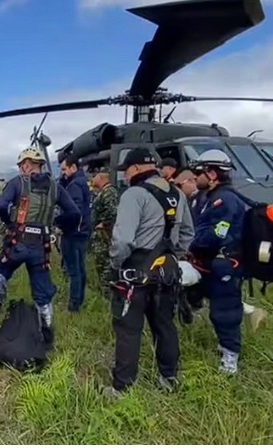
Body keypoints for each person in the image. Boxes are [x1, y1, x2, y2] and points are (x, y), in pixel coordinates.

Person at [105, 147, 194, 399]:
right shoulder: (178, 193)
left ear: (135, 169)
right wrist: (174, 255)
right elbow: (188, 233)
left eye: (126, 171)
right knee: (165, 326)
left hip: (135, 272)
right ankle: (169, 378)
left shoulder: (134, 194)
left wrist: (116, 264)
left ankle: (121, 388)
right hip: (167, 271)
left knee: (128, 330)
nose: (124, 176)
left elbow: (122, 240)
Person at [0, 147, 81, 345]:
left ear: (25, 165)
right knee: (42, 291)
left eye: (22, 166)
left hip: (17, 242)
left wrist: (10, 222)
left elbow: (2, 205)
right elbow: (74, 213)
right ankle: (46, 336)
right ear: (41, 165)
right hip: (41, 246)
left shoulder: (17, 182)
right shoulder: (56, 187)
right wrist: (57, 224)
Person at [188, 149, 248, 374]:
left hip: (225, 264)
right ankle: (223, 345)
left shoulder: (225, 201)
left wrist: (191, 243)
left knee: (225, 311)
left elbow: (217, 234)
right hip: (210, 263)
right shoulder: (209, 198)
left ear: (212, 174)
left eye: (199, 172)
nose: (195, 176)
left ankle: (230, 359)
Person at [58, 155, 92, 312]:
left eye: (64, 169)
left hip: (72, 233)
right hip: (83, 232)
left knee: (74, 272)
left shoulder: (74, 186)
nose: (62, 173)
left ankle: (74, 305)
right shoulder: (82, 182)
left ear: (73, 167)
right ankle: (79, 300)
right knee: (80, 269)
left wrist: (59, 223)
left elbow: (74, 212)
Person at [90, 167, 119, 299]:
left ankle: (110, 296)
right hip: (100, 237)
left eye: (94, 176)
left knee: (106, 266)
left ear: (101, 177)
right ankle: (106, 293)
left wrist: (104, 224)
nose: (92, 179)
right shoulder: (103, 192)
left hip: (105, 237)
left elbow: (112, 212)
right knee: (101, 266)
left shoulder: (109, 192)